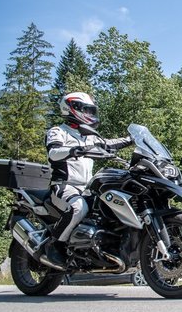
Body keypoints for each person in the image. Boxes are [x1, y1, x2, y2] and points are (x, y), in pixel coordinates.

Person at [44, 92, 133, 267]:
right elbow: (53, 154)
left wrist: (132, 139)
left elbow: (108, 143)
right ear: (72, 108)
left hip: (87, 188)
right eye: (87, 110)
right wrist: (74, 150)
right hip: (64, 187)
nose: (91, 115)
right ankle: (54, 245)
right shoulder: (58, 131)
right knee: (78, 207)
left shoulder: (89, 136)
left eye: (92, 111)